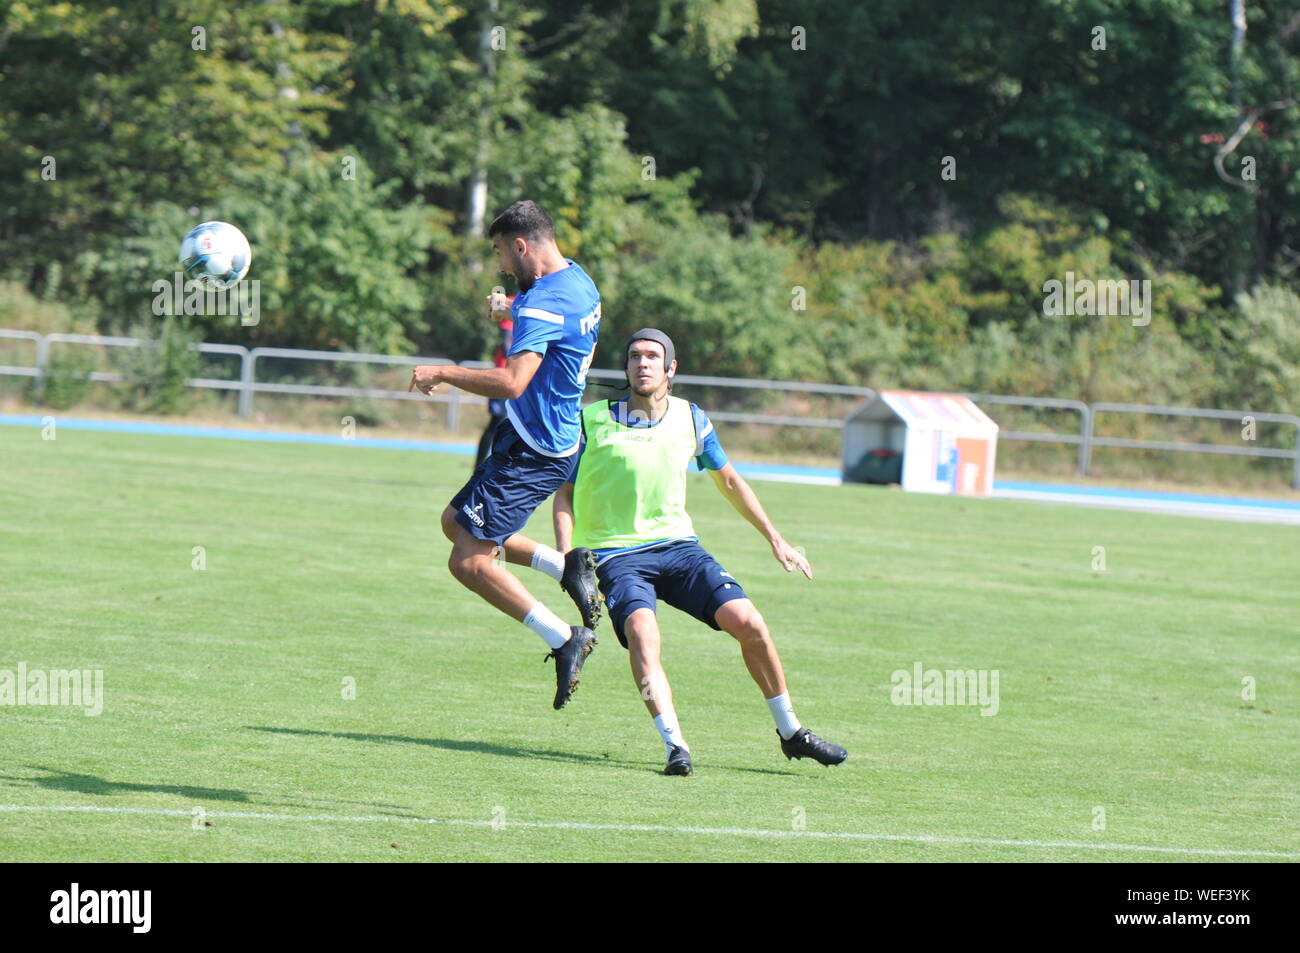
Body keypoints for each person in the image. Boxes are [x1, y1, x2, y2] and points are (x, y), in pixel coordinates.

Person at [553, 329, 848, 775]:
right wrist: (568, 557)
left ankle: (792, 733)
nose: (643, 363)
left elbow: (729, 480)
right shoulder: (590, 420)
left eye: (653, 356)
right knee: (643, 634)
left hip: (680, 549)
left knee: (750, 623)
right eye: (634, 356)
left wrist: (776, 538)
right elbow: (564, 493)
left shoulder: (692, 419)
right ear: (626, 367)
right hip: (616, 557)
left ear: (671, 368)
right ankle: (676, 746)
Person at [409, 200, 604, 710]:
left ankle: (565, 638)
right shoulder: (579, 282)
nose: (501, 265)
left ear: (521, 246)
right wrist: (513, 308)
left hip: (533, 451)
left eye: (500, 252)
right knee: (455, 522)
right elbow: (551, 315)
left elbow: (513, 382)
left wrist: (446, 371)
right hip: (542, 439)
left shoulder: (540, 303)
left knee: (468, 563)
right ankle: (565, 567)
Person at [476, 293, 513, 467]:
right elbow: (506, 341)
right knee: (497, 423)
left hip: (522, 376)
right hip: (505, 374)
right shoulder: (514, 302)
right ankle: (479, 468)